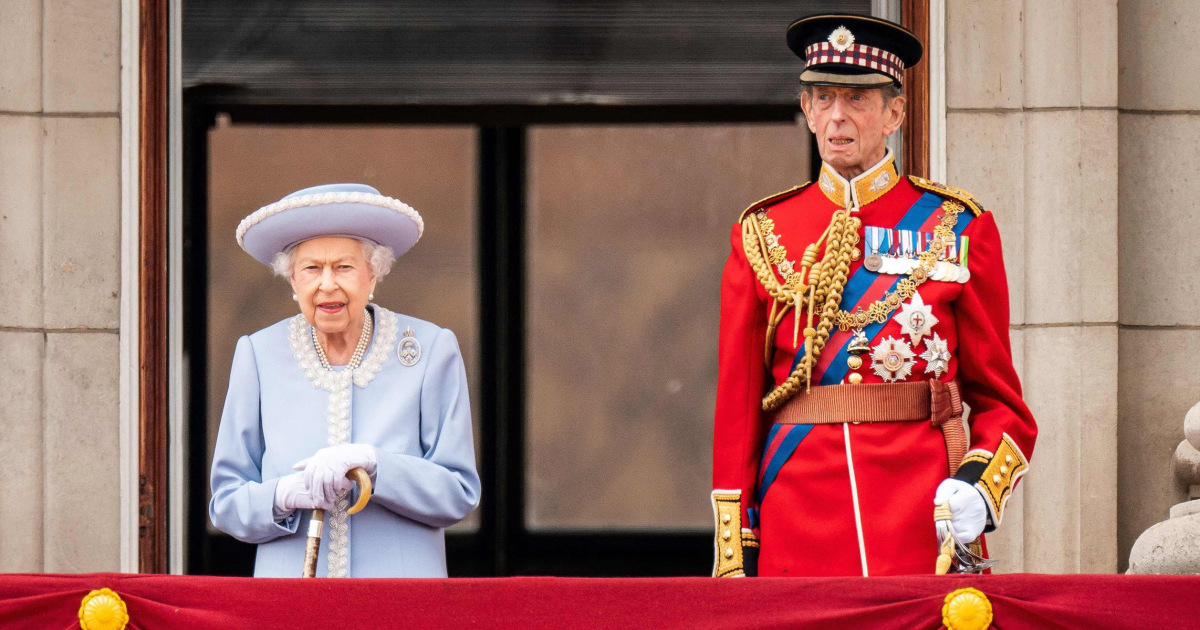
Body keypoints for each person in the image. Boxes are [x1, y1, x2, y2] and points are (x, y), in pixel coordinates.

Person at [711, 14, 1037, 578]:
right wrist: (736, 550)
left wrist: (980, 488)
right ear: (806, 109)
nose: (839, 116)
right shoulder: (762, 231)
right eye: (824, 97)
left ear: (894, 113)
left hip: (920, 510)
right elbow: (738, 408)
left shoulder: (957, 226)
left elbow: (1002, 402)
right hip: (798, 512)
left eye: (858, 99)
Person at [209, 183, 480, 577]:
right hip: (292, 604)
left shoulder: (429, 349)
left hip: (399, 604)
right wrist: (282, 496)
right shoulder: (259, 354)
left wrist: (375, 465)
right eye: (312, 269)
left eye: (344, 267)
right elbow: (226, 503)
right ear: (293, 281)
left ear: (373, 275)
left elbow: (459, 492)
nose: (327, 284)